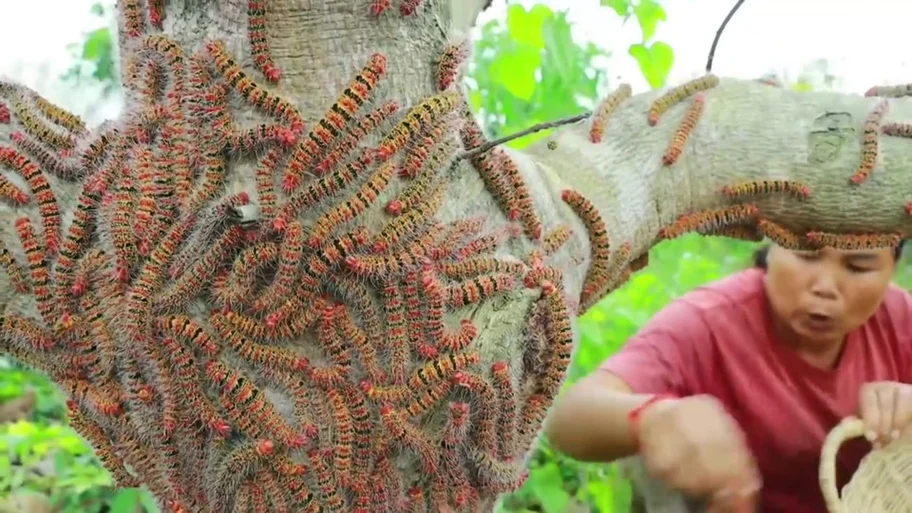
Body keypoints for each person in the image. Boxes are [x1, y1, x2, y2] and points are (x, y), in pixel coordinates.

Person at [544, 241, 912, 513]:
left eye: (859, 266)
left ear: (891, 268)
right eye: (805, 252)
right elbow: (570, 417)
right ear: (770, 246)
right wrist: (653, 416)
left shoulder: (899, 319)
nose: (826, 286)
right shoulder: (708, 321)